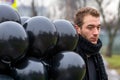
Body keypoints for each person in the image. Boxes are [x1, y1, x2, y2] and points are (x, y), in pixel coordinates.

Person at [74, 7, 108, 80]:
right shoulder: (71, 57)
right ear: (78, 29)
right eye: (90, 27)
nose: (96, 33)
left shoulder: (97, 56)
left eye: (98, 27)